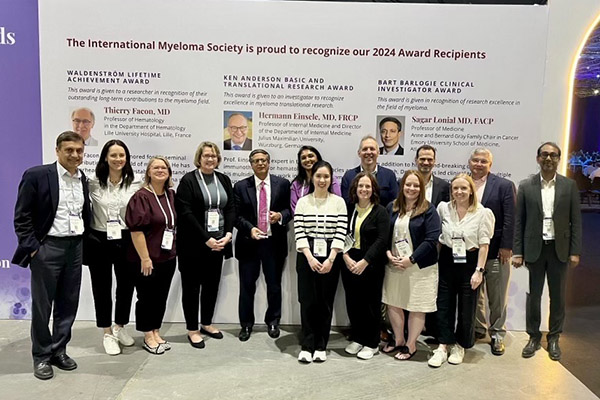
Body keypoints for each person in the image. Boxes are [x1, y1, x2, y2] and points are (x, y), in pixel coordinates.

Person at [12, 131, 91, 380]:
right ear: (57, 151)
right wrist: (33, 247)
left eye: (79, 150)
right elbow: (22, 216)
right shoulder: (37, 175)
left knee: (68, 304)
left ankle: (59, 351)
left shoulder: (83, 179)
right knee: (42, 306)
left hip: (74, 248)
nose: (74, 155)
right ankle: (42, 356)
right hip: (47, 248)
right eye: (69, 150)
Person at [513, 142, 582, 361]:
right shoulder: (526, 186)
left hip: (559, 249)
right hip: (534, 249)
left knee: (558, 296)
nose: (549, 158)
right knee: (534, 295)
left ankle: (554, 338)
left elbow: (576, 221)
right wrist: (518, 251)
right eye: (544, 154)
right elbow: (519, 222)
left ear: (558, 159)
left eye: (553, 155)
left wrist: (575, 251)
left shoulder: (569, 186)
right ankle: (533, 336)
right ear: (538, 158)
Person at [428, 174, 495, 368]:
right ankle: (443, 345)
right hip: (447, 260)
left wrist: (479, 271)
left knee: (467, 307)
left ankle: (460, 345)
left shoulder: (483, 213)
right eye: (455, 188)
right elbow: (439, 239)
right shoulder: (443, 209)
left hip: (470, 262)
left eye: (464, 188)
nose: (459, 192)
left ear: (471, 191)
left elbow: (484, 245)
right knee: (444, 304)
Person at [176, 142, 235, 349]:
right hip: (193, 245)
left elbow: (230, 209)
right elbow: (186, 213)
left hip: (218, 243)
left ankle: (207, 323)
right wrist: (205, 238)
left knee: (211, 286)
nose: (210, 159)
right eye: (206, 155)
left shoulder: (223, 179)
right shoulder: (188, 180)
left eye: (214, 156)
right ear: (199, 158)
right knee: (191, 288)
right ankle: (192, 329)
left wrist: (228, 234)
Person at [87, 140, 141, 355]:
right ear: (105, 158)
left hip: (126, 238)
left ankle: (120, 326)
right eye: (114, 155)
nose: (118, 159)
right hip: (99, 239)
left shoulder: (136, 181)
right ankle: (107, 332)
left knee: (126, 286)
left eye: (122, 155)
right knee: (101, 287)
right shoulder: (92, 182)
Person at [382, 171, 441, 360]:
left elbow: (432, 239)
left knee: (416, 305)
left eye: (416, 185)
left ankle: (411, 344)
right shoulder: (392, 207)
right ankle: (399, 340)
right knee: (394, 302)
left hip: (419, 268)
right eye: (408, 184)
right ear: (402, 186)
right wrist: (389, 254)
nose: (411, 189)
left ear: (421, 188)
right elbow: (383, 235)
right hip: (395, 265)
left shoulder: (428, 209)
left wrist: (412, 259)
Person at [233, 149, 291, 341]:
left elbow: (290, 209)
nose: (260, 163)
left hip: (273, 244)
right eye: (256, 161)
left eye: (263, 160)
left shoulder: (282, 184)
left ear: (269, 162)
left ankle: (273, 321)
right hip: (249, 243)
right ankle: (246, 325)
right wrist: (250, 229)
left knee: (274, 286)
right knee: (247, 287)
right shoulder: (241, 186)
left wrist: (280, 216)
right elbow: (236, 216)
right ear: (251, 164)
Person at [294, 160, 348, 363]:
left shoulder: (338, 202)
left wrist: (331, 259)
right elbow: (298, 231)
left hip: (330, 255)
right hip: (306, 254)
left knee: (325, 303)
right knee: (307, 301)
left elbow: (341, 231)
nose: (322, 180)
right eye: (318, 176)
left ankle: (321, 345)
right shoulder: (303, 202)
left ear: (331, 178)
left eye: (326, 176)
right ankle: (307, 345)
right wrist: (309, 257)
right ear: (312, 178)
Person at [125, 156, 177, 355]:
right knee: (146, 297)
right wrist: (145, 258)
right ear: (148, 172)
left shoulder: (170, 195)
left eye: (164, 167)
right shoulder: (141, 196)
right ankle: (147, 334)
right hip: (147, 258)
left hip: (168, 257)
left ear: (169, 172)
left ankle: (156, 330)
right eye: (155, 167)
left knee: (160, 297)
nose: (160, 170)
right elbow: (136, 231)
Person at [468, 148, 516, 356]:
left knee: (496, 296)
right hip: (470, 251)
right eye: (475, 160)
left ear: (490, 165)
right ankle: (479, 329)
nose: (478, 164)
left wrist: (507, 246)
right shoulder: (462, 183)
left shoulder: (504, 186)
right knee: (474, 294)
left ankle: (497, 334)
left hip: (496, 251)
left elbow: (510, 218)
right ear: (469, 162)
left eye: (483, 161)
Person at [341, 172, 388, 360]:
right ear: (355, 188)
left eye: (368, 186)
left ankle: (372, 342)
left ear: (373, 189)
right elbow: (341, 234)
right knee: (353, 303)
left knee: (371, 304)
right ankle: (358, 338)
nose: (364, 189)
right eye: (361, 186)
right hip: (350, 261)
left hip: (371, 264)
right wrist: (345, 257)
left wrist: (365, 261)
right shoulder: (349, 209)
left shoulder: (380, 211)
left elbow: (382, 239)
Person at [414, 144, 449, 340]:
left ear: (434, 162)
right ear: (416, 160)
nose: (426, 162)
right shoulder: (405, 182)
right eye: (422, 159)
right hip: (410, 246)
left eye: (429, 159)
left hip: (436, 246)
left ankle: (434, 329)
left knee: (433, 288)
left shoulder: (445, 186)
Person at [342, 135, 398, 207]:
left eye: (372, 149)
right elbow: (347, 204)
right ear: (359, 153)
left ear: (378, 152)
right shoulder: (349, 176)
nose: (368, 152)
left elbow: (394, 204)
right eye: (365, 149)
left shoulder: (389, 176)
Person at [290, 145, 341, 213]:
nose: (307, 160)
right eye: (303, 158)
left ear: (317, 158)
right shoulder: (296, 185)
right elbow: (295, 211)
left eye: (310, 156)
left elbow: (337, 204)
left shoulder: (331, 180)